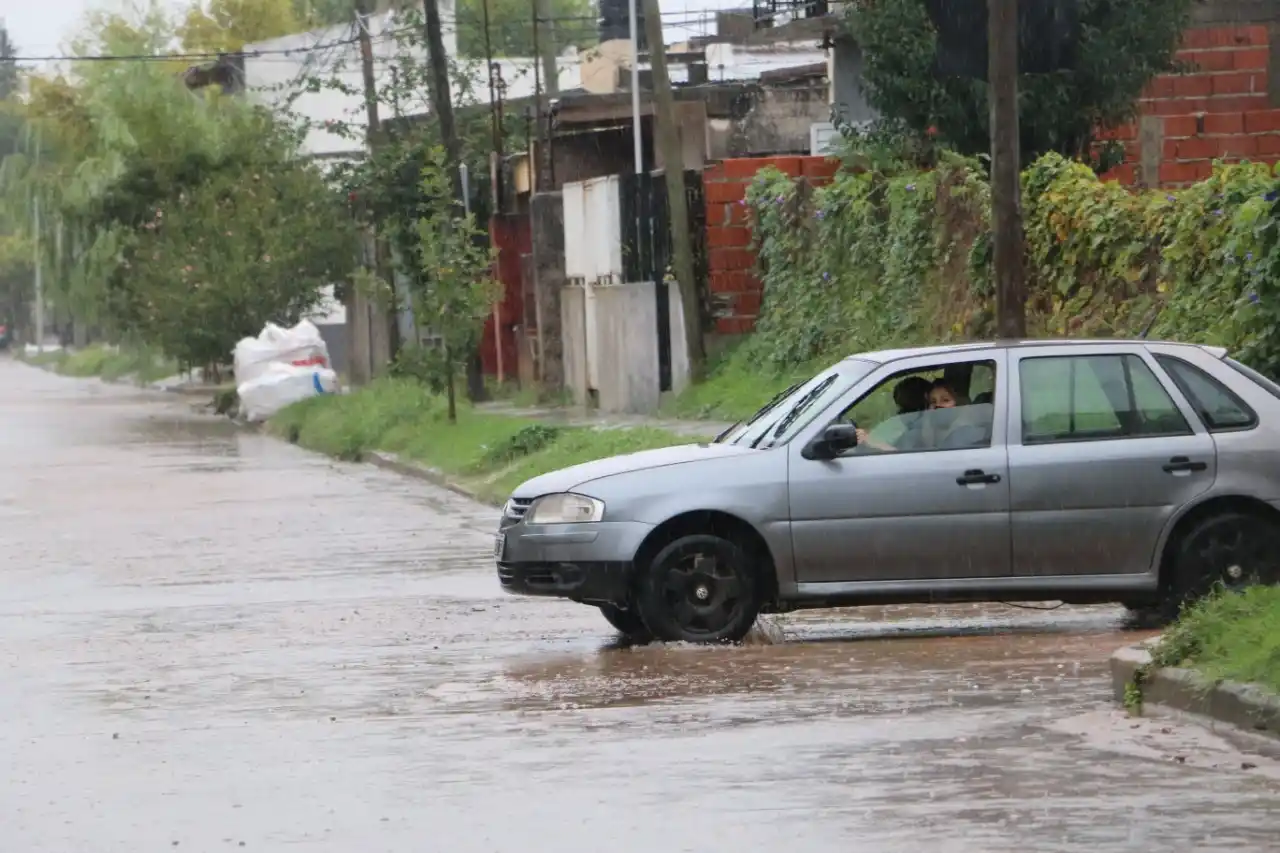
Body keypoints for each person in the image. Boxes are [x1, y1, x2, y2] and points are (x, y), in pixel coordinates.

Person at [855, 375, 932, 452]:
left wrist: (871, 441)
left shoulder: (916, 430)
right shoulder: (902, 420)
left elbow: (904, 455)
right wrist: (867, 436)